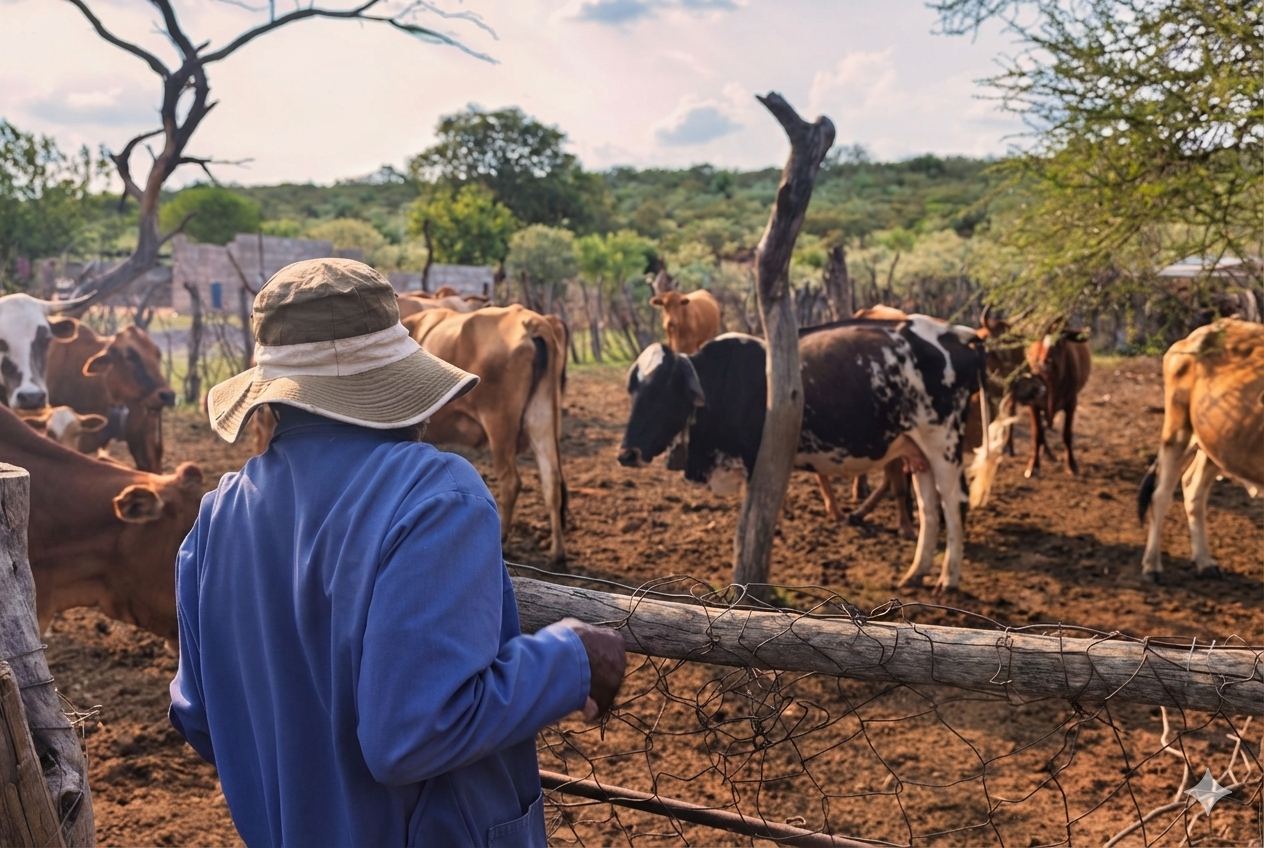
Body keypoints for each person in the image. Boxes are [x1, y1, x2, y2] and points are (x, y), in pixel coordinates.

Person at [169, 259, 626, 848]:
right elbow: (413, 734)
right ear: (394, 379)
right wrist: (572, 659)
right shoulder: (436, 497)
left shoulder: (217, 518)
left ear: (273, 399)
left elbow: (198, 717)